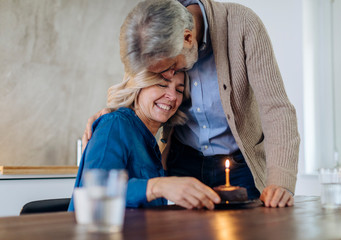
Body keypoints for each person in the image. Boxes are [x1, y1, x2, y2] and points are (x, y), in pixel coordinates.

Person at [83, 0, 300, 208]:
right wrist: (111, 117)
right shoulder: (152, 32)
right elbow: (139, 91)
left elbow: (276, 108)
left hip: (238, 166)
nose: (169, 76)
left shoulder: (243, 24)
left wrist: (281, 182)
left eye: (172, 69)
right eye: (159, 76)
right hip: (183, 162)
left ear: (188, 38)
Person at [68, 70, 221, 211]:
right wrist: (157, 186)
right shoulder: (115, 124)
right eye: (162, 84)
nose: (173, 96)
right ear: (138, 85)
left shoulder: (152, 144)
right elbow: (95, 192)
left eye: (179, 90)